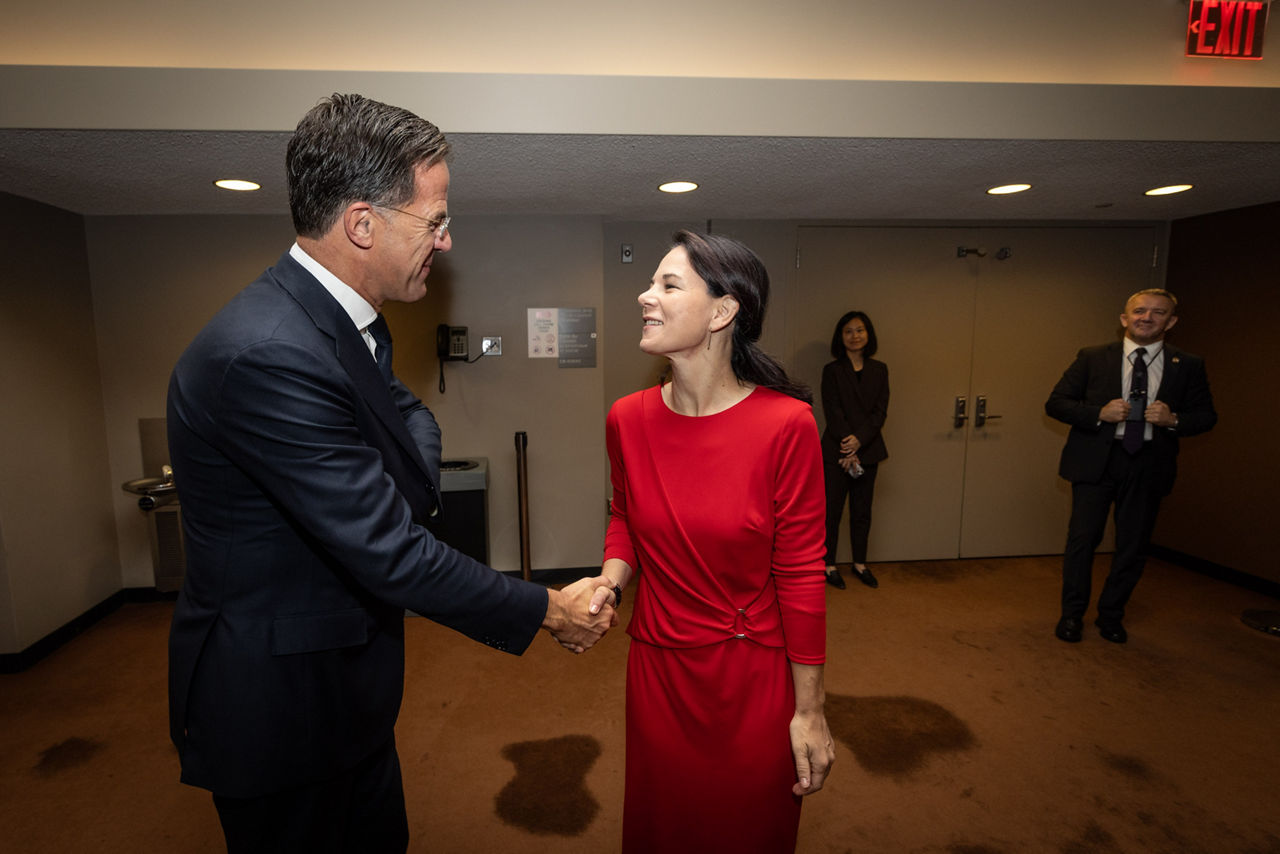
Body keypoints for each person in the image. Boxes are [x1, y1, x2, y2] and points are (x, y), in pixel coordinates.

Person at [166, 93, 617, 853]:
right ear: (362, 223)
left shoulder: (345, 325)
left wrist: (395, 493)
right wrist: (547, 609)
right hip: (280, 710)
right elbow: (392, 552)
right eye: (434, 220)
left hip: (344, 692)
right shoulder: (270, 350)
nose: (445, 242)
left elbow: (415, 423)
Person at [590, 230, 835, 853]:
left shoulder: (787, 425)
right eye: (651, 282)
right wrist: (611, 579)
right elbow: (626, 517)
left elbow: (803, 575)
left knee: (746, 831)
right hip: (658, 670)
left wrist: (810, 711)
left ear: (723, 312)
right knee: (664, 828)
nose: (646, 296)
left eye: (669, 285)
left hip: (751, 677)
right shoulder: (627, 418)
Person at [1045, 288, 1216, 645]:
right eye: (1139, 311)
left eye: (1158, 313)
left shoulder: (1188, 365)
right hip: (1096, 461)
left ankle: (1111, 615)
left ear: (1171, 322)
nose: (1147, 318)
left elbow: (1206, 417)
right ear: (1124, 318)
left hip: (1148, 464)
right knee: (1082, 540)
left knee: (1132, 545)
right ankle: (1072, 615)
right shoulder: (1093, 358)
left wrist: (1174, 419)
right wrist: (1097, 413)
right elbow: (1057, 403)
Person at [819, 310, 889, 590]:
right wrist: (848, 444)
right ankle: (828, 564)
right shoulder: (832, 371)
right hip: (836, 452)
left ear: (868, 334)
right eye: (848, 331)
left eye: (859, 330)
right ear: (840, 337)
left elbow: (880, 412)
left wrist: (859, 441)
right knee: (832, 512)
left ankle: (860, 564)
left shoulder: (880, 369)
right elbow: (832, 411)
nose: (854, 336)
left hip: (868, 451)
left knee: (862, 512)